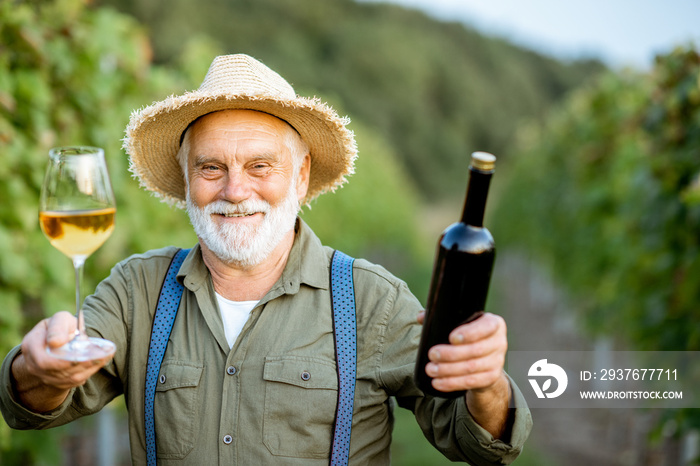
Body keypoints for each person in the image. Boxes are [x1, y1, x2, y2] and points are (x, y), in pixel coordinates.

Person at [0, 54, 531, 465]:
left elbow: (478, 445)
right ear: (186, 184)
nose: (235, 190)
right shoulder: (137, 289)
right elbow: (31, 406)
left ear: (300, 177)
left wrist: (485, 383)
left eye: (259, 166)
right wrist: (36, 367)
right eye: (211, 168)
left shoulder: (372, 300)